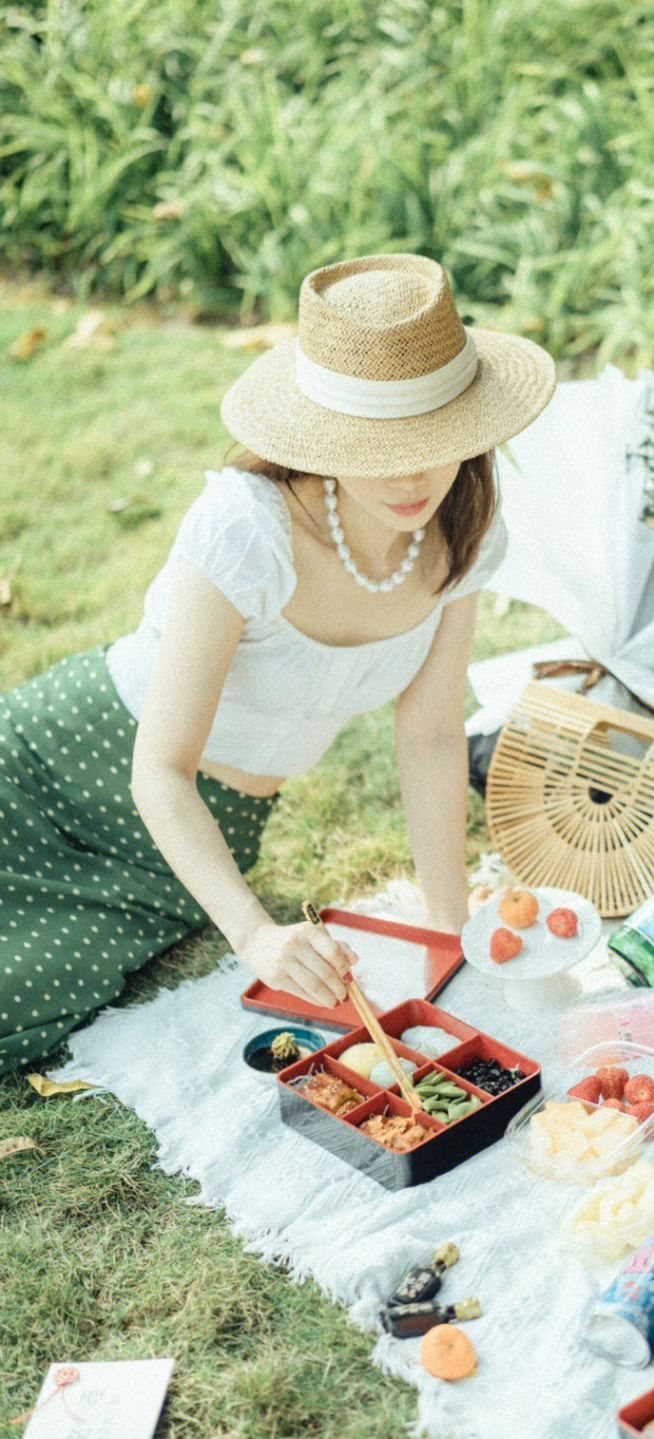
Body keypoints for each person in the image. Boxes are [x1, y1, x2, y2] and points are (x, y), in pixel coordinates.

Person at [0, 254, 555, 1073]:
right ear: (322, 436)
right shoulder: (244, 527)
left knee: (34, 992)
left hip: (201, 838)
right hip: (71, 771)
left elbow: (433, 734)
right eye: (375, 442)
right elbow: (159, 766)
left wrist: (447, 935)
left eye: (433, 439)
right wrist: (254, 930)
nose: (411, 474)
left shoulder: (465, 520)